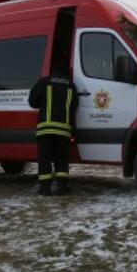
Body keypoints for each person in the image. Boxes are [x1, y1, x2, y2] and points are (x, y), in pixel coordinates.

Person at [28, 64, 79, 196]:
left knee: (44, 158)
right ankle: (62, 187)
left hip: (45, 129)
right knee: (61, 158)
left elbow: (32, 102)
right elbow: (75, 106)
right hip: (63, 130)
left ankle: (45, 188)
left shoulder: (44, 82)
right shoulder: (71, 86)